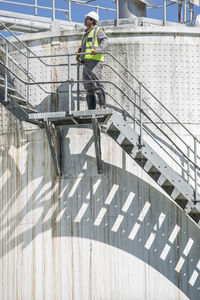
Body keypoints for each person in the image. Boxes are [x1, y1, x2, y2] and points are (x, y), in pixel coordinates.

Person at [76, 11, 109, 109]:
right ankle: (91, 108)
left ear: (92, 20)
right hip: (86, 62)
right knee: (88, 86)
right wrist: (79, 54)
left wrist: (98, 50)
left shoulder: (97, 30)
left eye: (87, 18)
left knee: (96, 83)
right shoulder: (86, 33)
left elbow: (106, 41)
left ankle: (102, 106)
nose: (85, 20)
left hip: (95, 61)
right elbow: (85, 46)